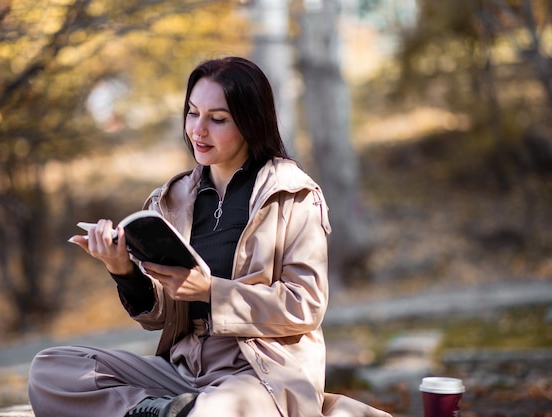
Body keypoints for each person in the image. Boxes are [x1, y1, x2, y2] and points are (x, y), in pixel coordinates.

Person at [28, 56, 391, 417]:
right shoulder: (171, 200)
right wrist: (122, 270)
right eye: (192, 112)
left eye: (217, 119)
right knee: (51, 370)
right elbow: (160, 317)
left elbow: (305, 305)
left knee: (214, 409)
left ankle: (178, 412)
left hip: (262, 373)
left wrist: (210, 291)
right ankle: (151, 411)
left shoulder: (291, 194)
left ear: (251, 122)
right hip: (185, 372)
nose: (198, 130)